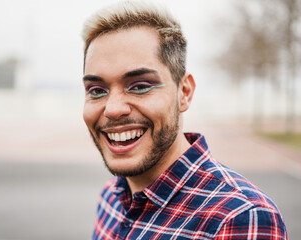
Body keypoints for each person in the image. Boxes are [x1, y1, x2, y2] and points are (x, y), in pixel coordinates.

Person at [81, 1, 288, 239]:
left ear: (184, 92)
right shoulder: (111, 197)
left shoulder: (240, 218)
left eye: (139, 86)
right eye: (96, 90)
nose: (113, 109)